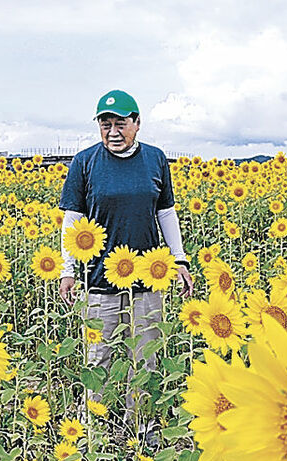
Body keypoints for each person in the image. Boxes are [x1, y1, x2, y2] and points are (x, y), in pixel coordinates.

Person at [58, 89, 193, 420]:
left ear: (137, 123)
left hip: (149, 278)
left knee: (145, 356)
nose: (113, 132)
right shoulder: (85, 162)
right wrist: (67, 269)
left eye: (121, 123)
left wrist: (180, 258)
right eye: (106, 124)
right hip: (99, 279)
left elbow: (166, 212)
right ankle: (94, 428)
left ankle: (139, 426)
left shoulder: (155, 159)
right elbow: (72, 221)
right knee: (98, 357)